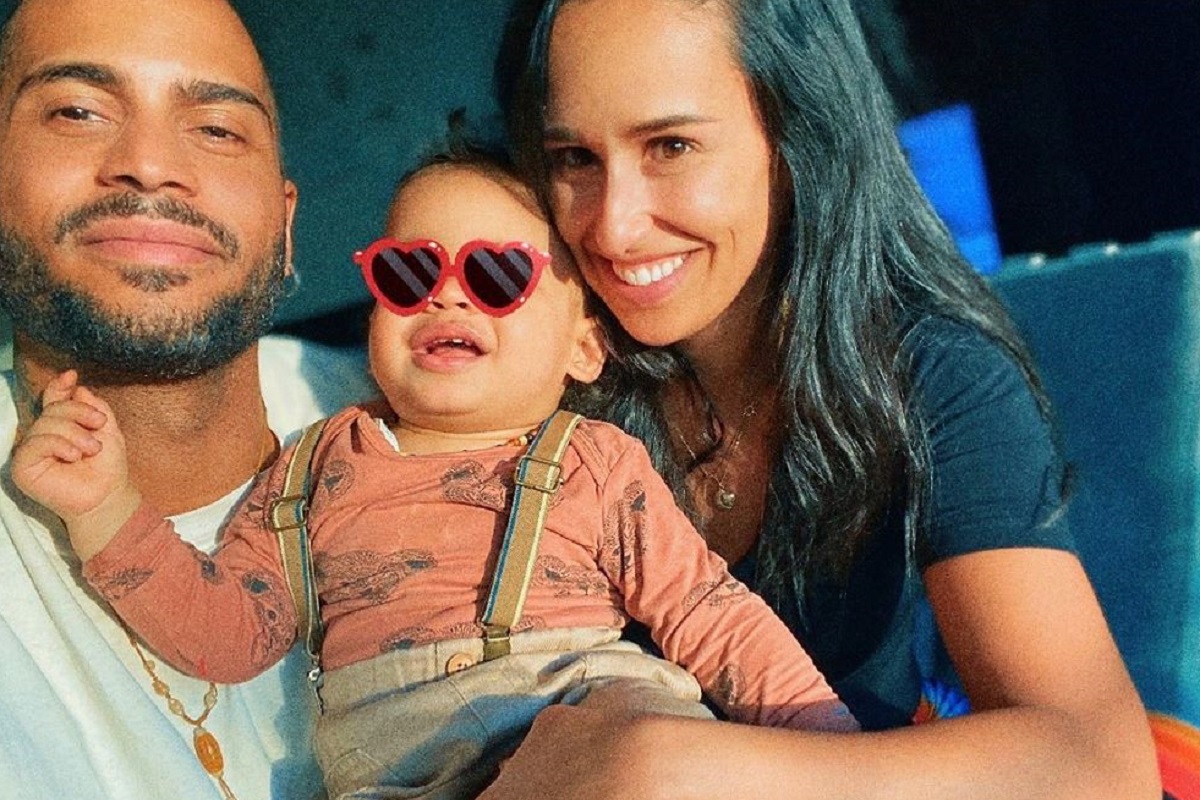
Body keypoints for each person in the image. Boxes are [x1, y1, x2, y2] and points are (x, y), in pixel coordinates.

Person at [15, 153, 859, 800]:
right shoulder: (312, 469)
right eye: (410, 273)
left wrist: (836, 751)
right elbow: (227, 634)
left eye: (496, 277)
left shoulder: (594, 463)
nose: (447, 298)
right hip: (394, 774)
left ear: (582, 347)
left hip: (581, 725)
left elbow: (711, 615)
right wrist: (105, 509)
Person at [488, 0, 1162, 797]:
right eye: (574, 158)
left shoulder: (926, 372)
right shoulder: (538, 373)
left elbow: (1097, 763)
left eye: (671, 146)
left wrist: (667, 763)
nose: (614, 227)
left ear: (798, 136)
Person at [0, 0, 374, 797]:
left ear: (285, 225)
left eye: (216, 128)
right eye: (78, 112)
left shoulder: (419, 425)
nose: (148, 164)